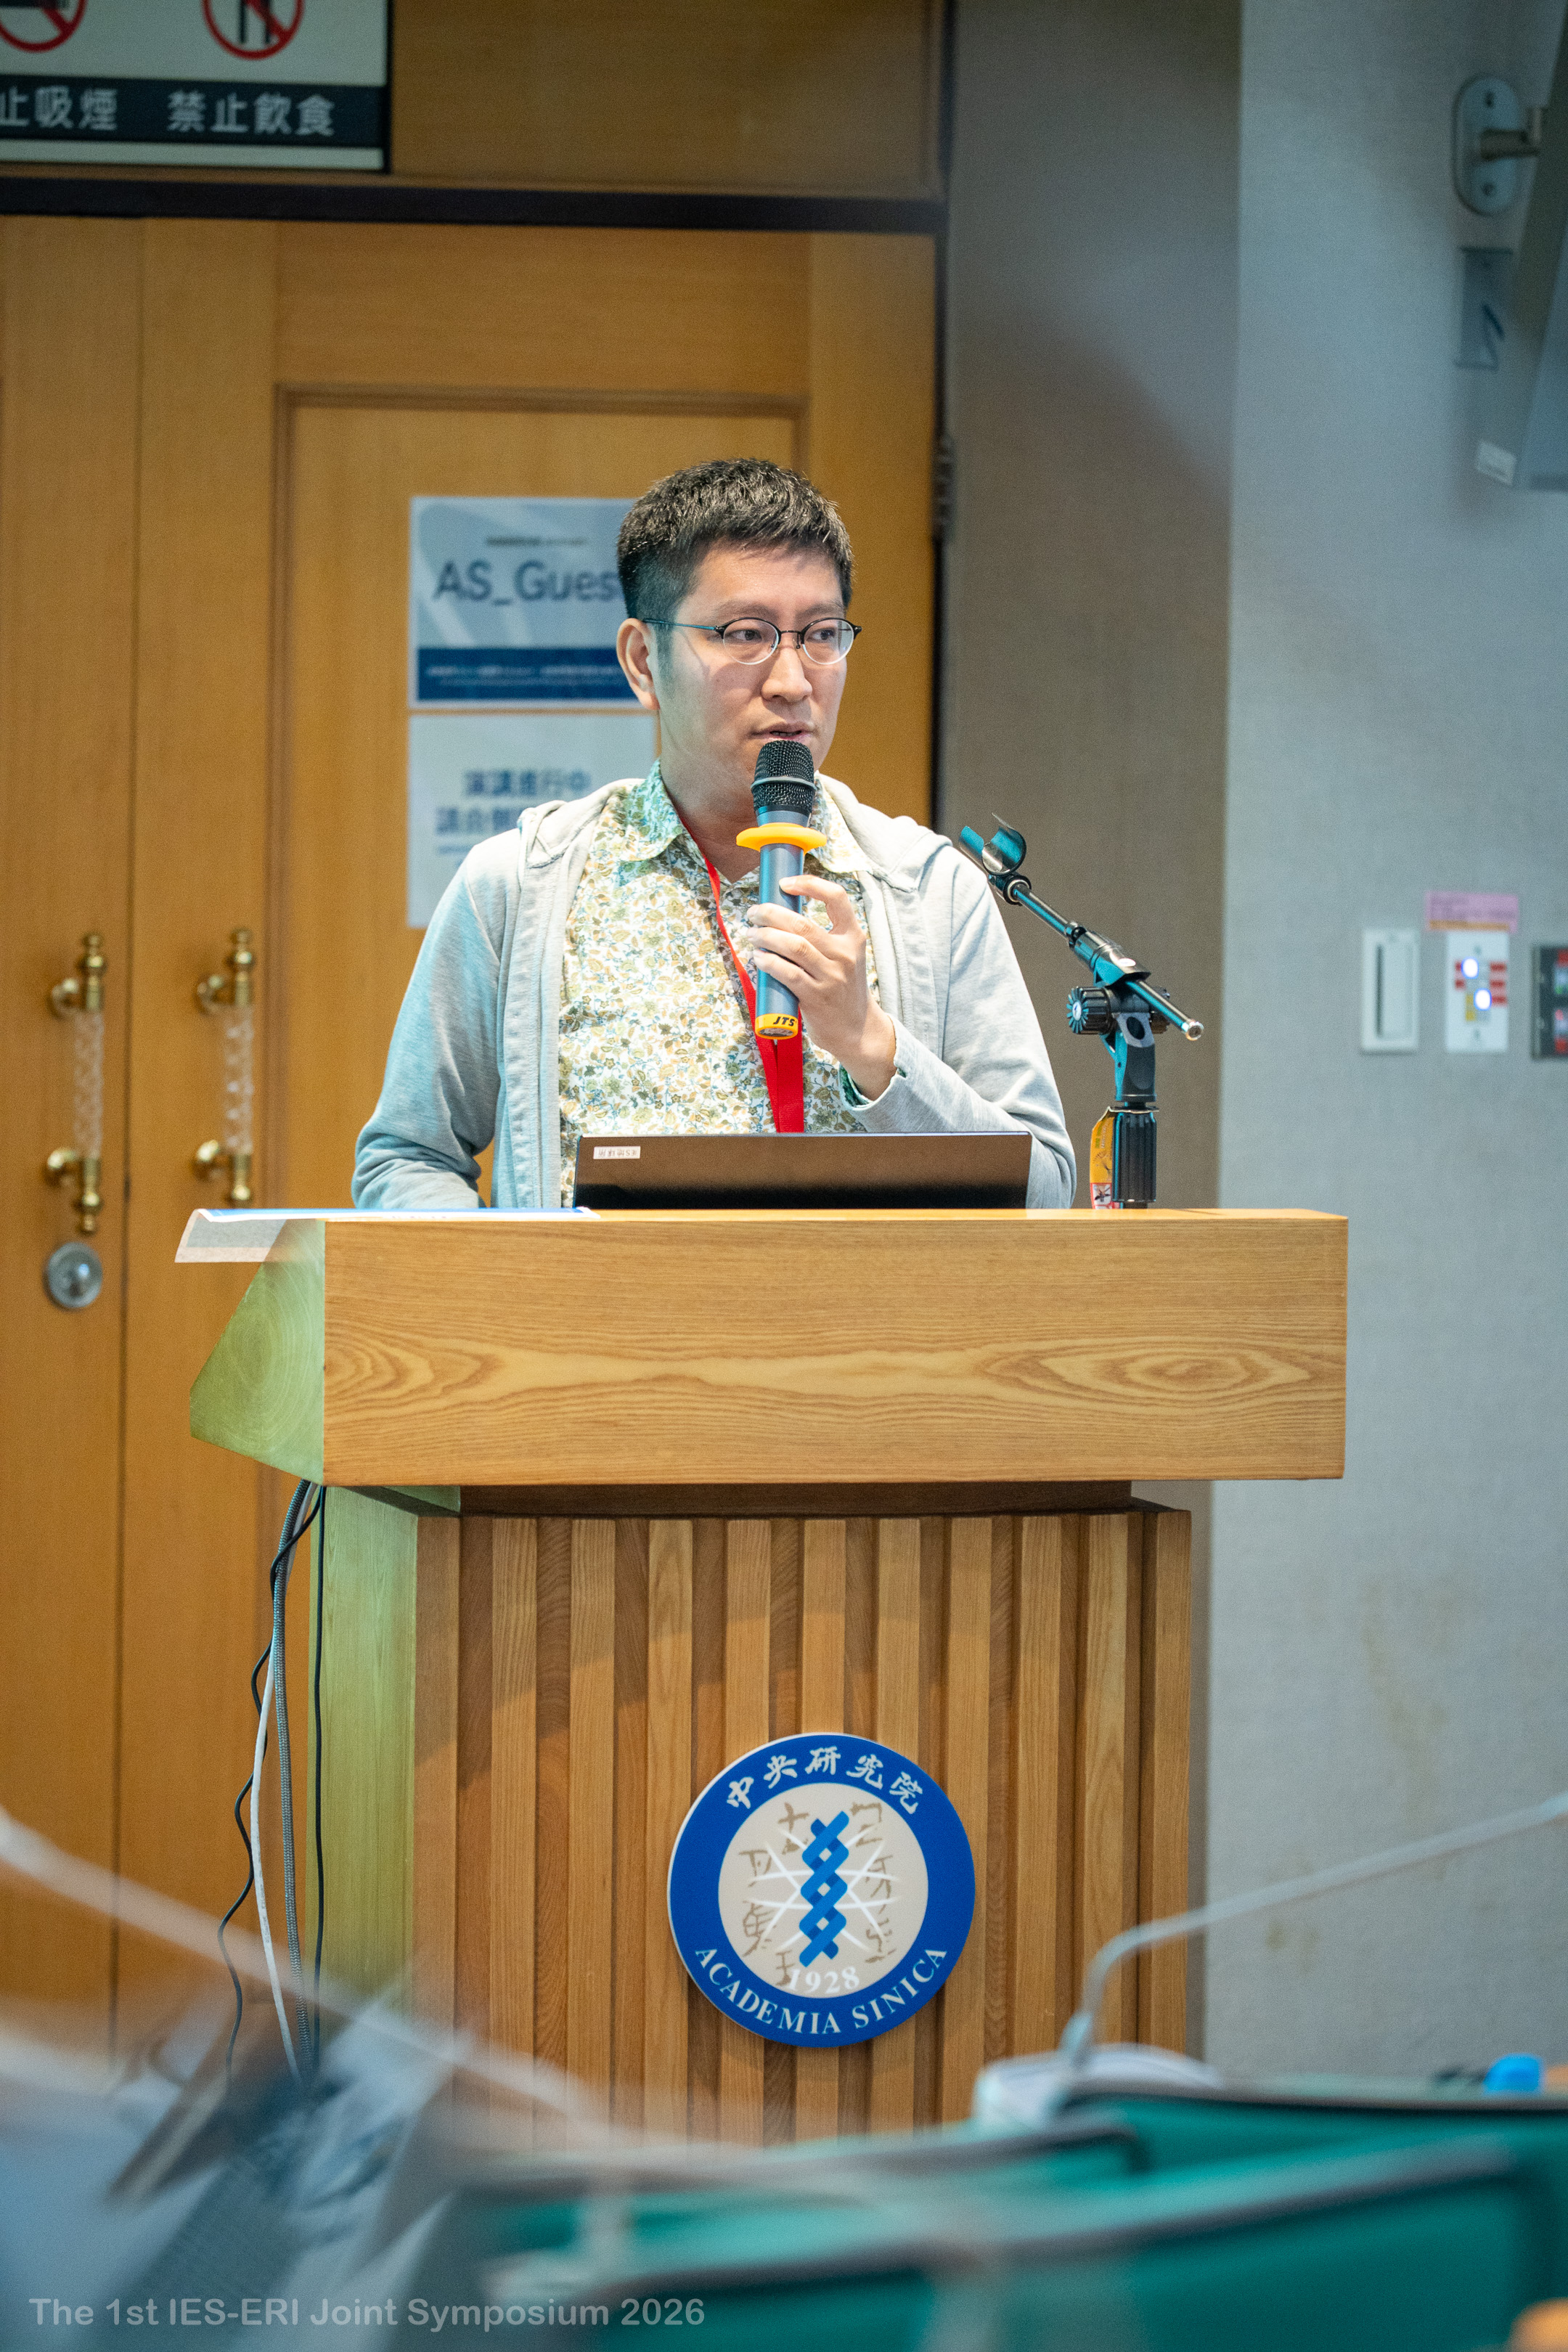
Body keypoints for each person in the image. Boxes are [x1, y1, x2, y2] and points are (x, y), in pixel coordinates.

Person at [353, 459, 1074, 1209]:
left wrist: (872, 1046)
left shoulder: (929, 890)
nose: (793, 680)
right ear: (643, 662)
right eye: (745, 634)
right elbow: (406, 1159)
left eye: (821, 634)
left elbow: (1047, 1192)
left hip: (865, 1295)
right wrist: (518, 1281)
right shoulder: (520, 884)